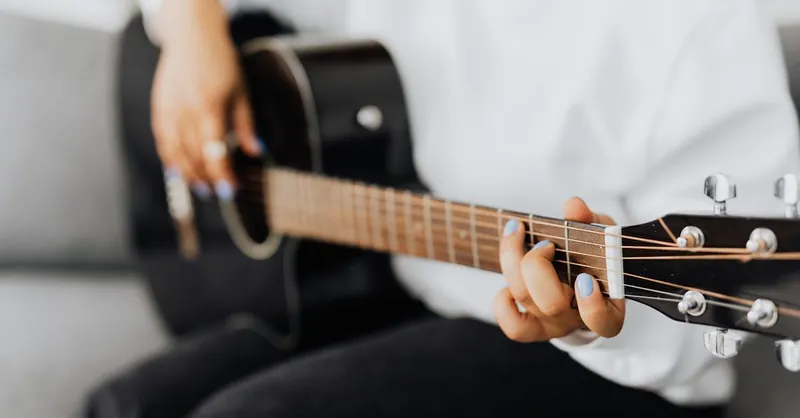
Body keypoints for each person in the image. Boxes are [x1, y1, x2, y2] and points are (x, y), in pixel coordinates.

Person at [128, 0, 800, 417]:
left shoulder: (700, 20)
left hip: (616, 376)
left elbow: (723, 282)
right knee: (125, 406)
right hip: (391, 288)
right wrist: (192, 29)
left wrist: (590, 323)